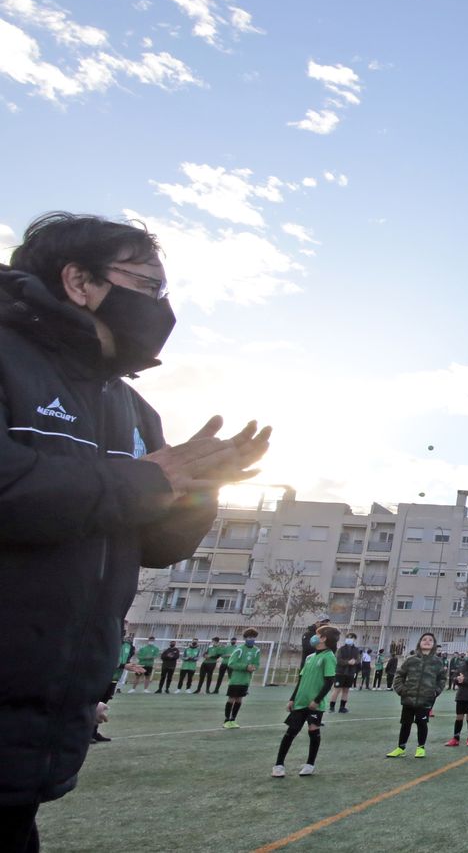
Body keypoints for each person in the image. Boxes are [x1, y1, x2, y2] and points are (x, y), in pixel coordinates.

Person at [0, 212, 271, 846]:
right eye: (148, 285)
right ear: (80, 281)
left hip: (36, 729)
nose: (162, 307)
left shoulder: (133, 406)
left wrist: (200, 487)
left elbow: (154, 545)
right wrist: (153, 480)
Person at [274, 625, 338, 777]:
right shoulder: (310, 657)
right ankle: (279, 765)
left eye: (317, 634)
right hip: (300, 702)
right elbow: (301, 681)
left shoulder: (329, 657)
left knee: (313, 730)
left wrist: (316, 700)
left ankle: (310, 764)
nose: (313, 637)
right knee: (291, 732)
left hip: (315, 704)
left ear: (324, 638)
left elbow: (329, 681)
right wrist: (292, 699)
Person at [388, 632, 448, 759]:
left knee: (422, 724)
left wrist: (435, 692)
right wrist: (401, 690)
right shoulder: (411, 660)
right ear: (419, 643)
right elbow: (399, 675)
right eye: (424, 639)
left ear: (434, 645)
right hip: (408, 698)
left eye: (430, 640)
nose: (427, 641)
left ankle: (421, 748)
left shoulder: (437, 662)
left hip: (425, 700)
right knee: (405, 724)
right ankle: (401, 748)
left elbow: (442, 679)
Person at [222, 629, 261, 728]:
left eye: (253, 637)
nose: (251, 639)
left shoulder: (257, 650)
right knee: (231, 698)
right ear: (245, 638)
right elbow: (231, 663)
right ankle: (226, 720)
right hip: (236, 679)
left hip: (246, 680)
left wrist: (254, 668)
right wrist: (245, 667)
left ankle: (233, 720)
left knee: (239, 699)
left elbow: (257, 664)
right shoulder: (239, 649)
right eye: (249, 637)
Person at [333, 634, 360, 713]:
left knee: (346, 690)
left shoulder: (356, 650)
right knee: (336, 690)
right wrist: (347, 662)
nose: (350, 639)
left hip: (350, 673)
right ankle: (332, 706)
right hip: (340, 672)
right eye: (348, 638)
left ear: (354, 640)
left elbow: (358, 659)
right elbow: (338, 660)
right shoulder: (341, 649)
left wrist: (355, 662)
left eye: (352, 638)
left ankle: (342, 707)